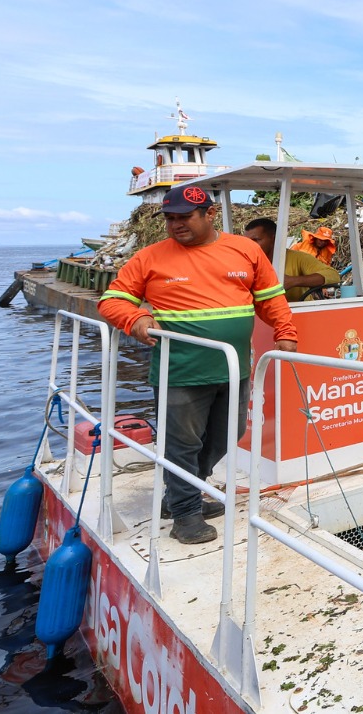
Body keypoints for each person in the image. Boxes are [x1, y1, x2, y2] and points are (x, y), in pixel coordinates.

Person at [98, 183, 298, 544]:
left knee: (225, 437)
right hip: (180, 371)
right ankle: (185, 515)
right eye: (170, 218)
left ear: (210, 214)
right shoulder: (149, 257)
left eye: (185, 217)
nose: (176, 225)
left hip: (233, 368)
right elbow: (112, 301)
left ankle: (181, 495)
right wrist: (136, 318)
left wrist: (285, 331)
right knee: (182, 445)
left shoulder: (246, 250)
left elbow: (271, 298)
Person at [243, 218, 341, 301]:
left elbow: (333, 275)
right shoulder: (243, 261)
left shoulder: (297, 257)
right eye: (246, 241)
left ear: (274, 238)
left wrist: (293, 281)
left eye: (256, 240)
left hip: (300, 313)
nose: (250, 245)